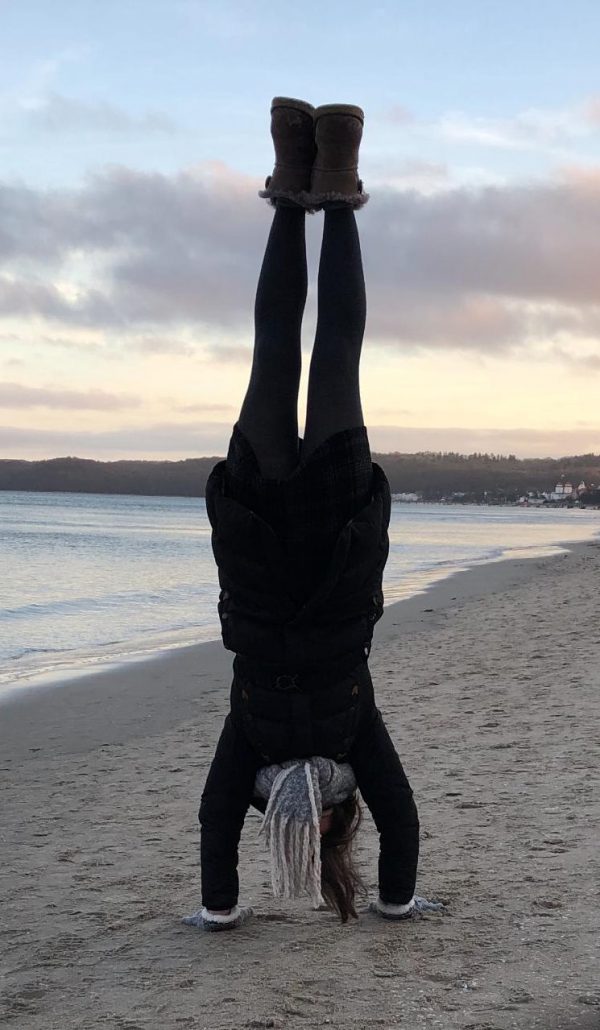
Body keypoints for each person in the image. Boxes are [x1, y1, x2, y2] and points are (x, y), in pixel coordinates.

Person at [183, 98, 441, 931]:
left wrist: (396, 900)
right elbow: (215, 825)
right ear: (299, 827)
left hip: (332, 537)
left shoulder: (350, 741)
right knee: (275, 349)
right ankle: (295, 175)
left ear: (338, 819)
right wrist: (217, 911)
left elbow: (401, 821)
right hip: (259, 536)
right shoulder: (252, 750)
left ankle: (334, 181)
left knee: (333, 352)